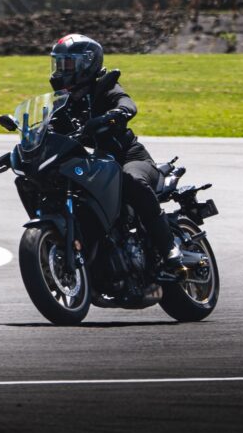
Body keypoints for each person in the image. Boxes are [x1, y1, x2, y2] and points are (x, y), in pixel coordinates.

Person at [46, 33, 183, 276]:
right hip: (96, 164)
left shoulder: (105, 86)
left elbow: (127, 104)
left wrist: (115, 114)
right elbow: (50, 127)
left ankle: (168, 246)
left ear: (87, 62)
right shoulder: (64, 101)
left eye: (67, 63)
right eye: (59, 64)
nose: (61, 70)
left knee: (133, 182)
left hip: (129, 158)